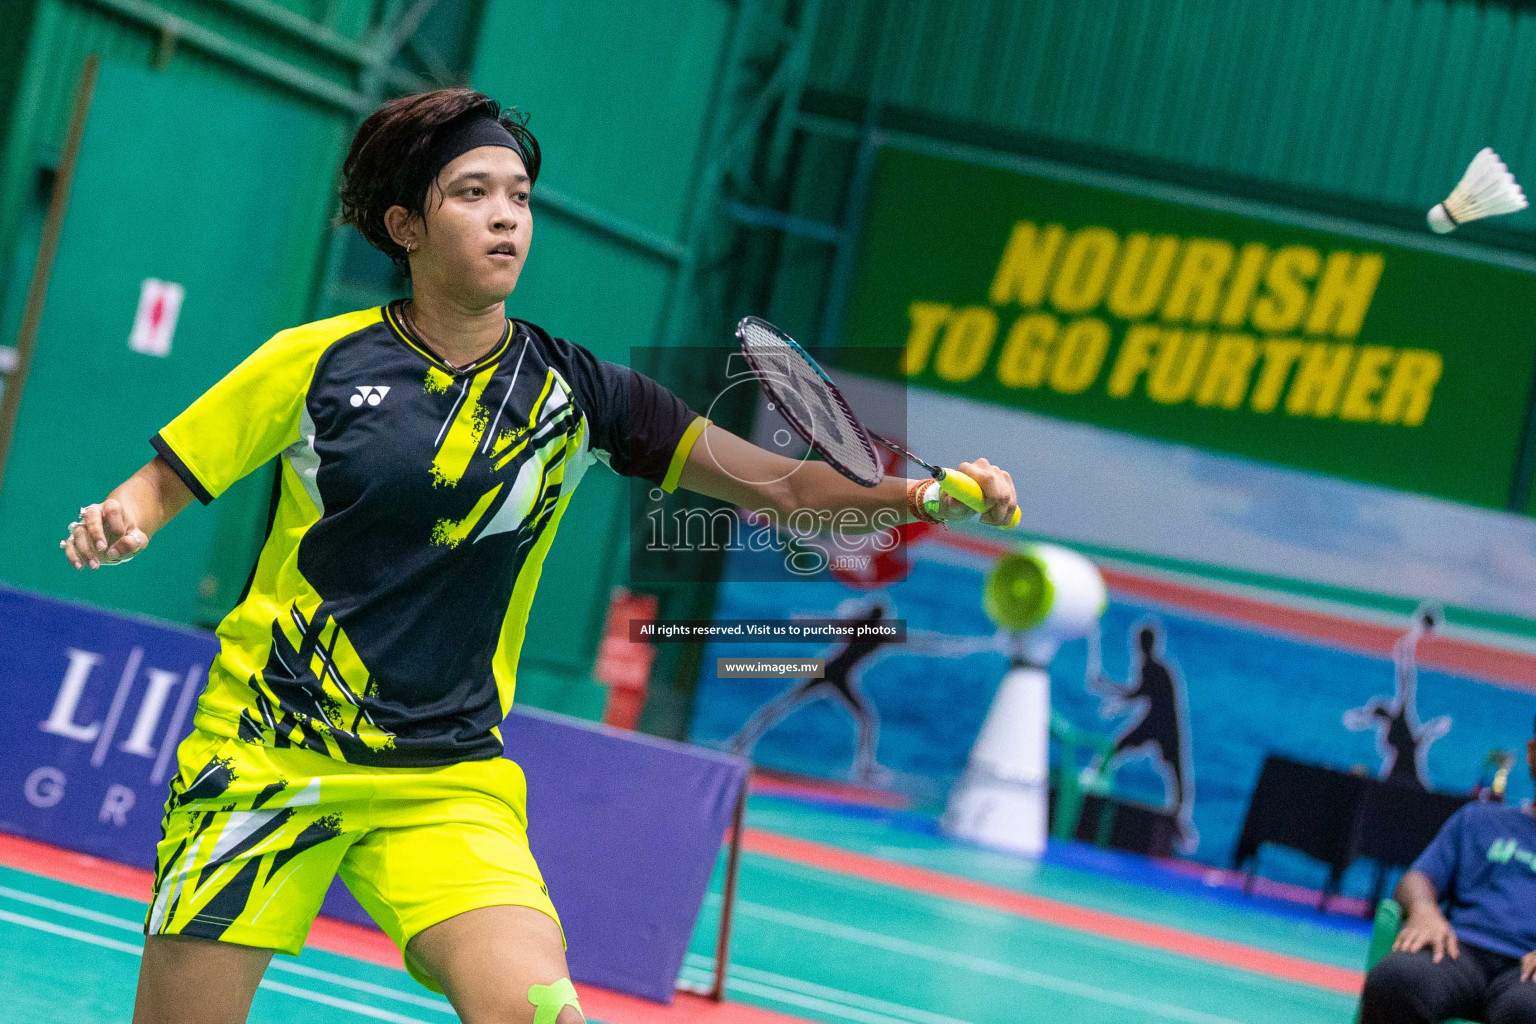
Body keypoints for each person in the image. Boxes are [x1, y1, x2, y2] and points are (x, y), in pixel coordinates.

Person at [57, 88, 1018, 1024]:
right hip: (267, 751)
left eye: (518, 195)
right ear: (405, 224)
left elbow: (783, 485)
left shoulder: (578, 391)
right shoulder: (316, 362)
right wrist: (126, 519)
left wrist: (922, 493)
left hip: (446, 778)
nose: (506, 217)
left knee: (536, 1009)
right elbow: (164, 481)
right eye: (472, 193)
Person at [1359, 720, 1536, 1024]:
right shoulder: (1478, 820)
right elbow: (1417, 879)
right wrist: (1424, 909)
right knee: (1395, 979)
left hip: (1529, 975)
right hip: (1457, 951)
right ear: (1533, 754)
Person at [1088, 621, 1196, 851]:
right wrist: (1109, 691)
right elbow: (1138, 694)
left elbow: (1139, 693)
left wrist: (1106, 686)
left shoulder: (1155, 668)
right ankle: (1093, 782)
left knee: (1176, 776)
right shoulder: (1149, 667)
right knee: (1115, 750)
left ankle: (1179, 822)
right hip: (1154, 724)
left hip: (1164, 727)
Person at [1345, 602, 1452, 789]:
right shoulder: (1390, 723)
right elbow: (1360, 719)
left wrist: (1411, 640)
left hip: (1407, 779)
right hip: (1397, 778)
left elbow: (1406, 681)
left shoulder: (1400, 717)